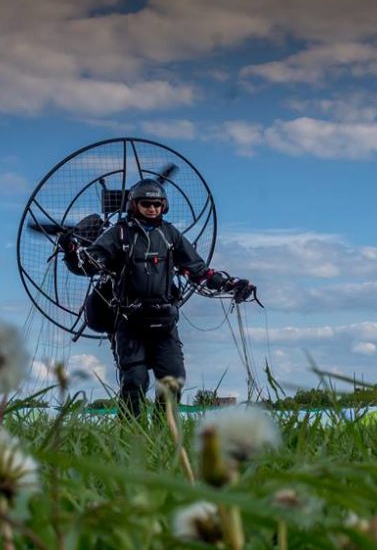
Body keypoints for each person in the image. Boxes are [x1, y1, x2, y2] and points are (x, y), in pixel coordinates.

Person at [72, 178, 255, 417]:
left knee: (173, 378)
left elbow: (198, 271)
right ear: (134, 204)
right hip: (129, 321)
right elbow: (89, 264)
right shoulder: (119, 234)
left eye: (157, 204)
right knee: (135, 380)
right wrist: (72, 252)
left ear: (163, 206)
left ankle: (163, 431)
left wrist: (229, 284)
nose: (152, 209)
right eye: (146, 203)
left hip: (164, 320)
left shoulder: (170, 235)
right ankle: (131, 433)